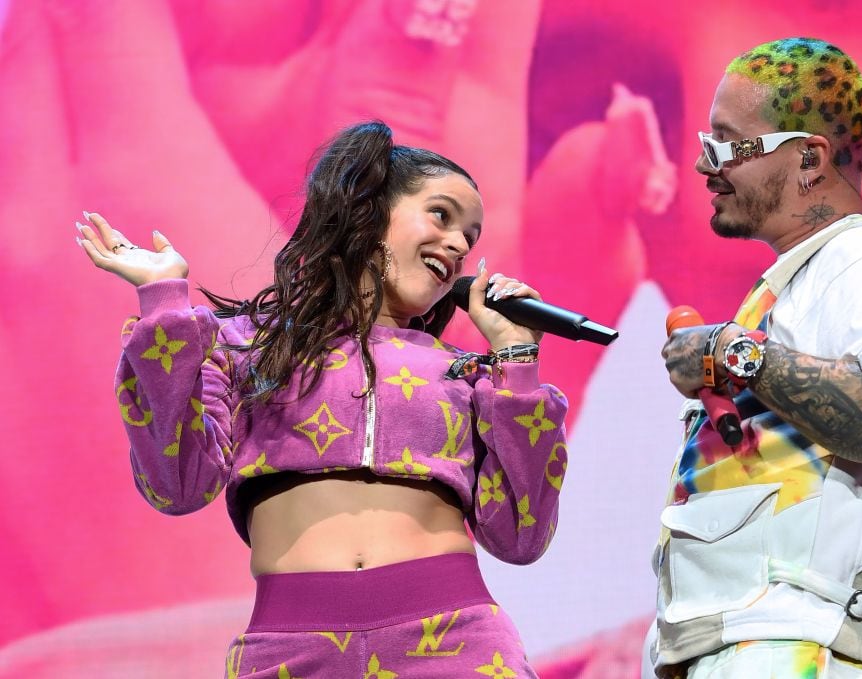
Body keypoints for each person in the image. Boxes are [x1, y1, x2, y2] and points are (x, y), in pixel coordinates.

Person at [76, 121, 569, 678]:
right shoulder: (245, 345)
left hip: (456, 643)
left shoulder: (466, 374)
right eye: (441, 215)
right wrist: (164, 299)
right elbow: (177, 484)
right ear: (367, 208)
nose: (458, 245)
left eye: (470, 238)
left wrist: (515, 362)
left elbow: (521, 537)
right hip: (288, 650)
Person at [650, 38, 862, 679]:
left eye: (728, 146)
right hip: (754, 647)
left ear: (809, 158)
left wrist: (727, 351)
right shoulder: (801, 281)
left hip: (804, 650)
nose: (707, 167)